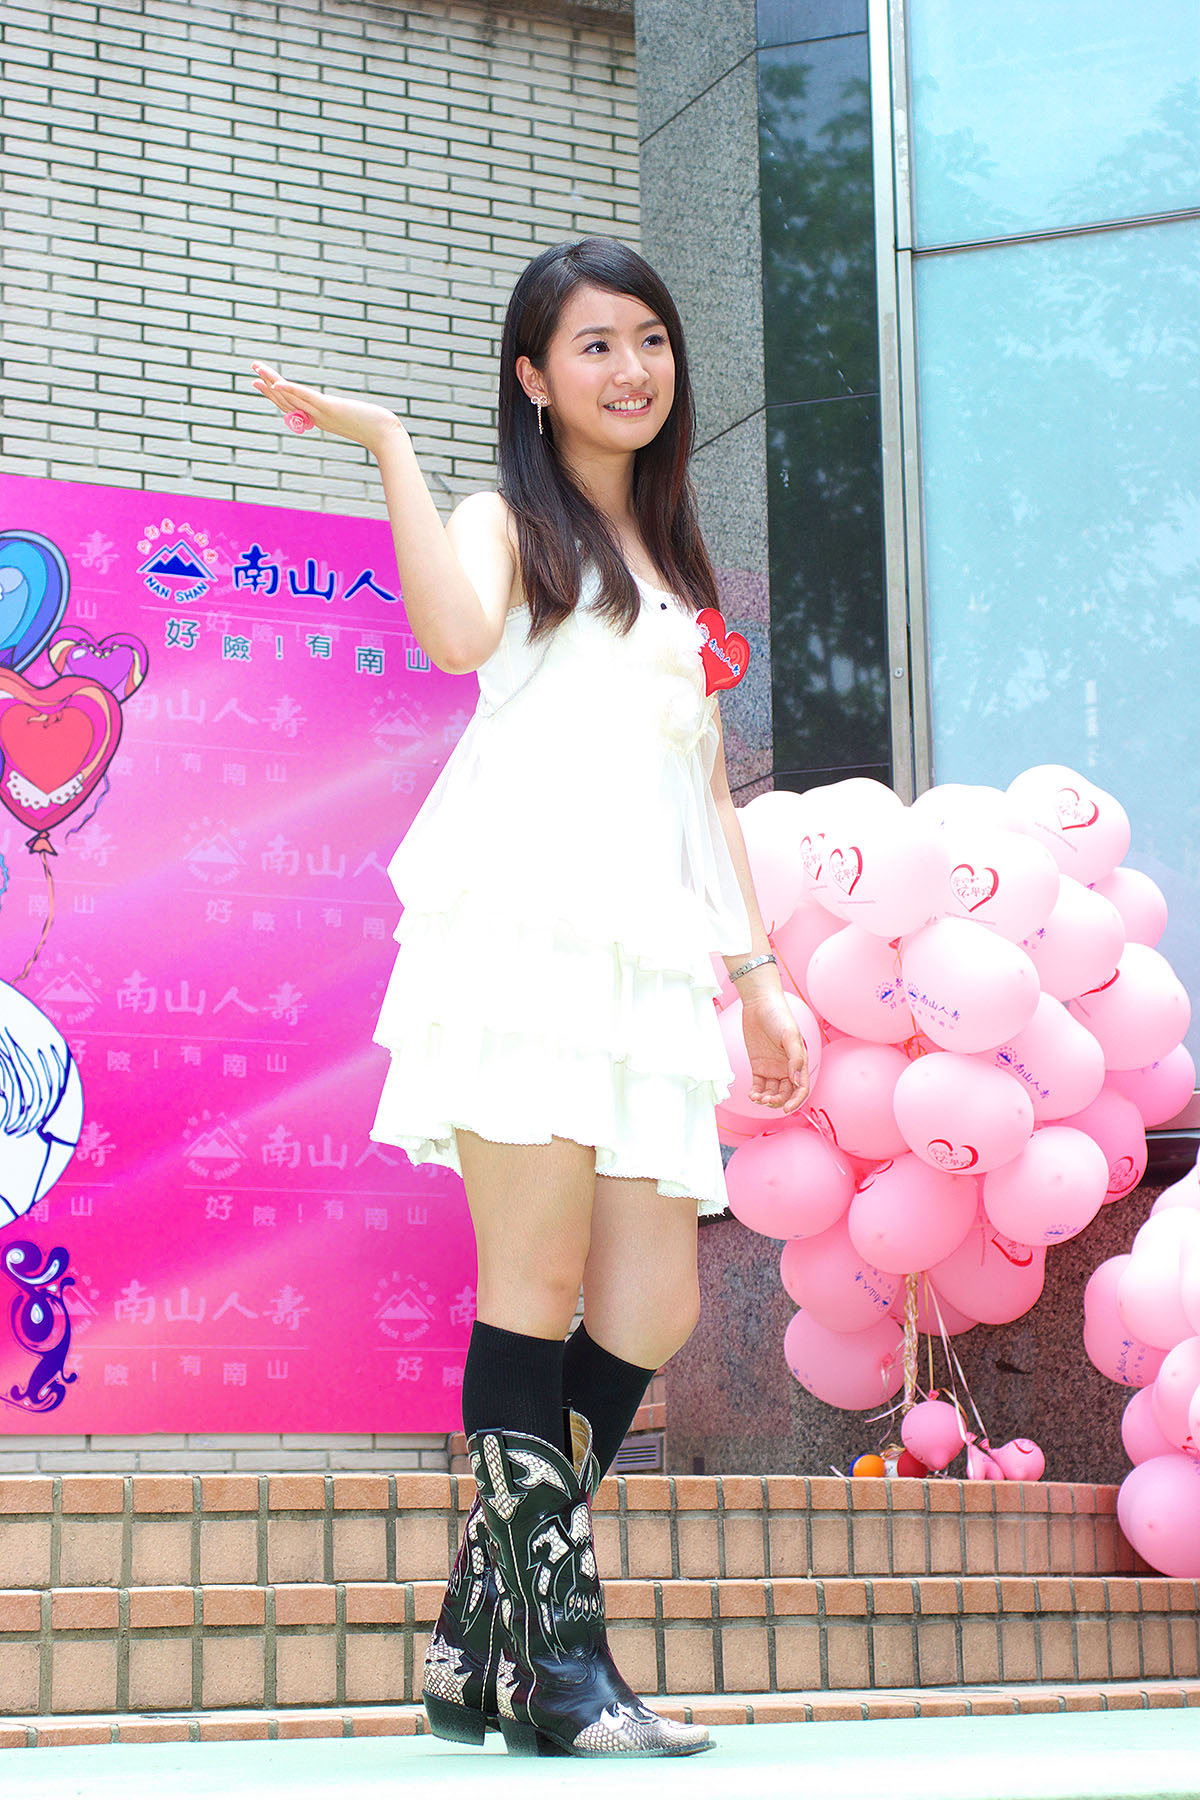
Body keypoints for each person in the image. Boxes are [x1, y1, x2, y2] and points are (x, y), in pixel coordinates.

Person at [251, 236, 808, 1759]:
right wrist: (390, 446)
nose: (632, 369)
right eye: (595, 345)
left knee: (656, 1301)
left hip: (642, 963)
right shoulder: (513, 522)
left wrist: (757, 975)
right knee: (536, 1282)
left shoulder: (675, 567)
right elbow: (450, 635)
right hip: (520, 946)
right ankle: (563, 1668)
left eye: (650, 339)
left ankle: (469, 1636)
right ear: (536, 377)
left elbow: (702, 793)